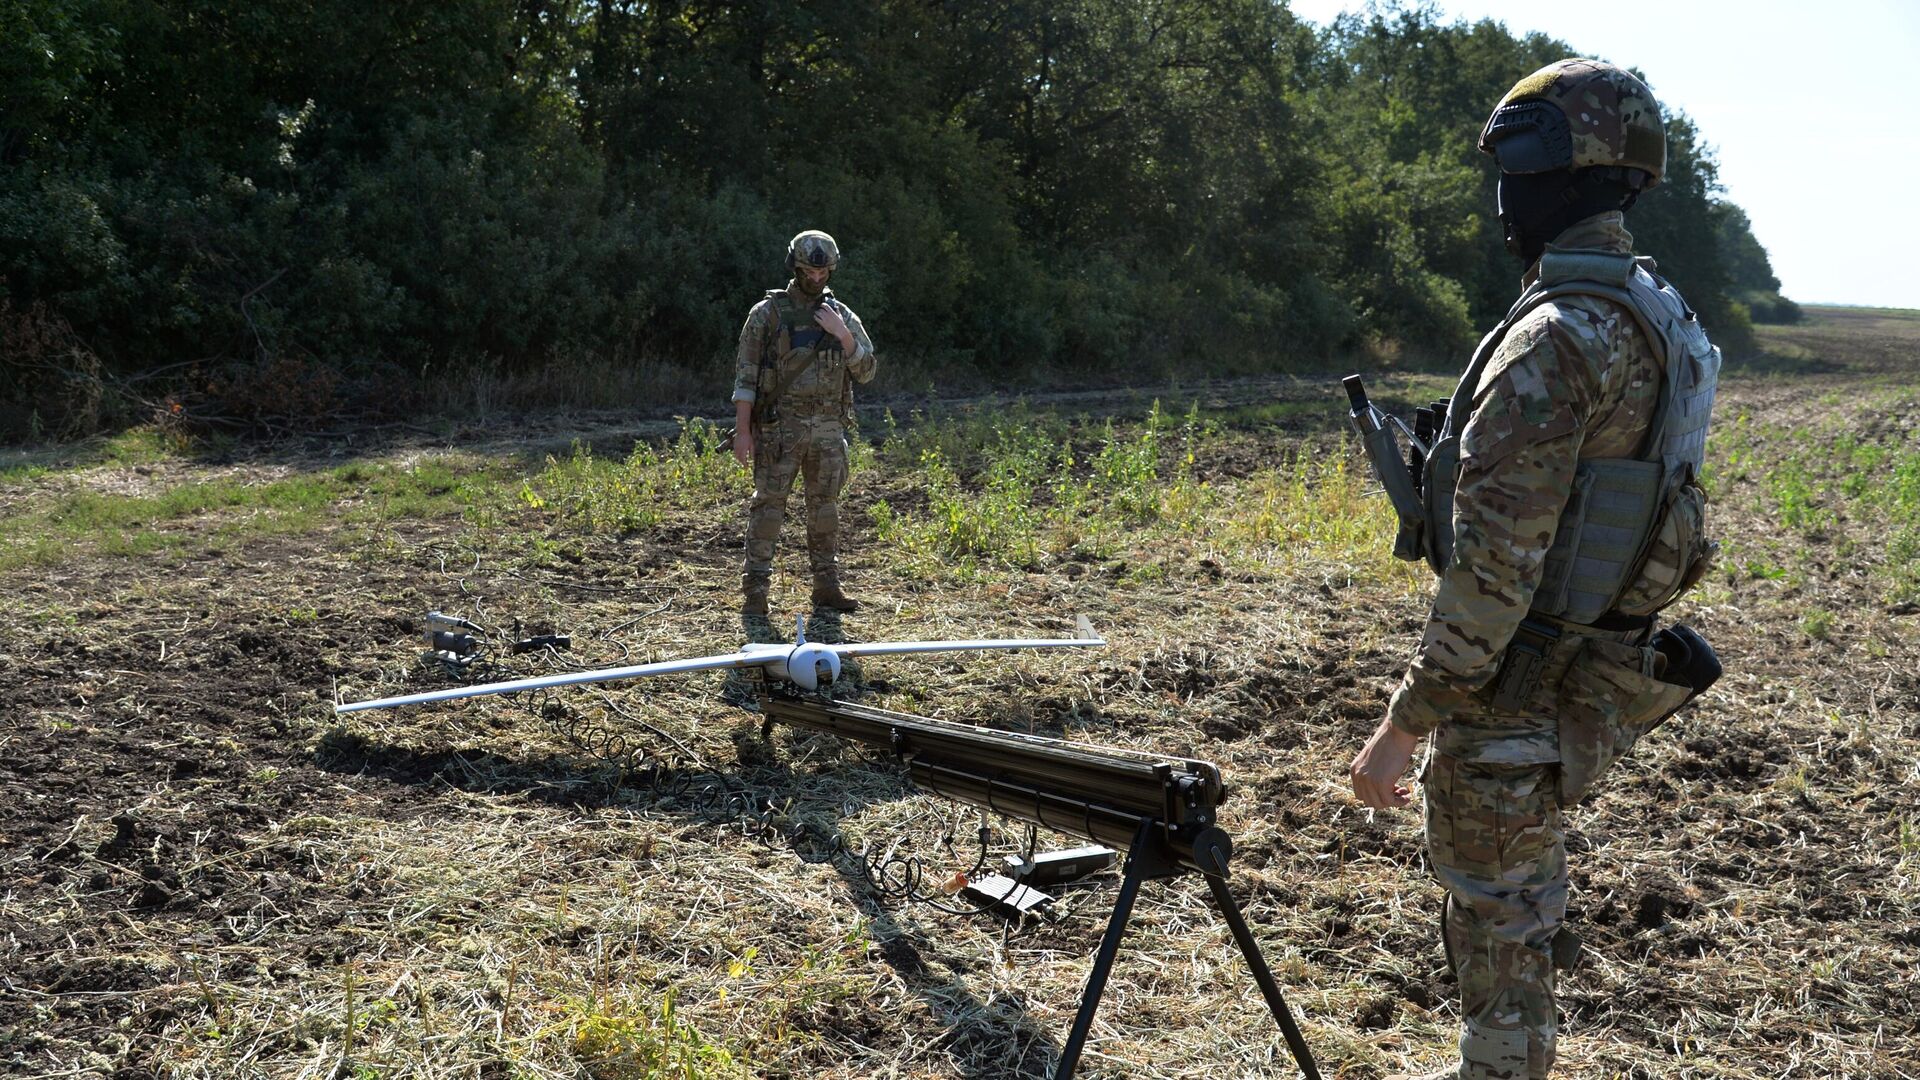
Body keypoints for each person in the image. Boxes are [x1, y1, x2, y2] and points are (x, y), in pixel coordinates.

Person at [1349, 60, 1721, 1080]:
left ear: (1564, 175)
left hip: (1513, 682)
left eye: (1514, 168)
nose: (1502, 195)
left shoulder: (1558, 339)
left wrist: (1403, 726)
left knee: (1499, 913)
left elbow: (1495, 574)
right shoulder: (1663, 319)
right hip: (1577, 671)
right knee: (1511, 906)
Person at [731, 229, 877, 638]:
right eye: (810, 269)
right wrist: (744, 432)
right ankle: (755, 592)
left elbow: (867, 371)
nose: (817, 277)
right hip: (781, 431)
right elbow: (745, 377)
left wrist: (844, 336)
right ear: (795, 266)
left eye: (824, 269)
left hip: (828, 434)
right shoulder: (768, 313)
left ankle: (826, 588)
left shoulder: (842, 315)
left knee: (825, 511)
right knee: (768, 510)